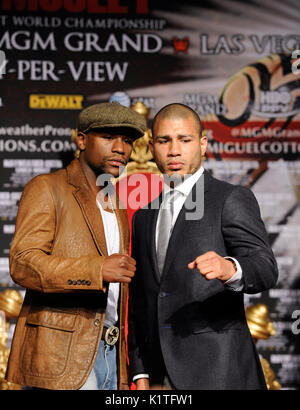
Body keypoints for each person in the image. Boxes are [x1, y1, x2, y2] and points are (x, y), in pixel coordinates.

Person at [127, 103, 278, 390]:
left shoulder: (230, 198)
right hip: (159, 377)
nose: (174, 150)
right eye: (164, 141)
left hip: (219, 372)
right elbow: (141, 300)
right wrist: (140, 369)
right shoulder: (145, 216)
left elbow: (265, 267)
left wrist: (230, 268)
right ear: (151, 146)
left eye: (184, 140)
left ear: (203, 144)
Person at [5, 101, 146, 390]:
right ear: (81, 139)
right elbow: (23, 263)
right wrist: (97, 269)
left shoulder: (116, 203)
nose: (120, 148)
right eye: (108, 138)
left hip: (111, 351)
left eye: (128, 141)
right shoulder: (47, 187)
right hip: (63, 352)